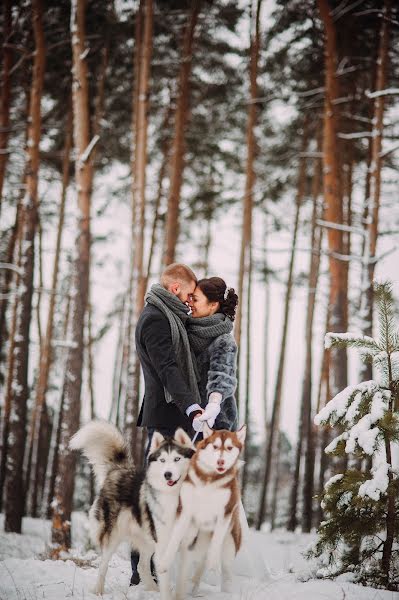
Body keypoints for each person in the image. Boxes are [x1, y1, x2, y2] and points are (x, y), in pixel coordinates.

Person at [130, 263, 206, 585]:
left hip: (175, 418)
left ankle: (165, 565)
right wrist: (191, 406)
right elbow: (168, 369)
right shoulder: (156, 319)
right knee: (153, 496)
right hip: (166, 419)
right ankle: (141, 572)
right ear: (175, 289)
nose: (191, 301)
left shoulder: (171, 316)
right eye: (189, 294)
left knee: (173, 497)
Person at [187, 277, 239, 431]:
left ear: (213, 305)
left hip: (216, 422)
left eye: (195, 299)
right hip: (189, 417)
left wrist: (213, 404)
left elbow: (222, 375)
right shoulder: (187, 331)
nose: (190, 303)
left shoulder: (223, 340)